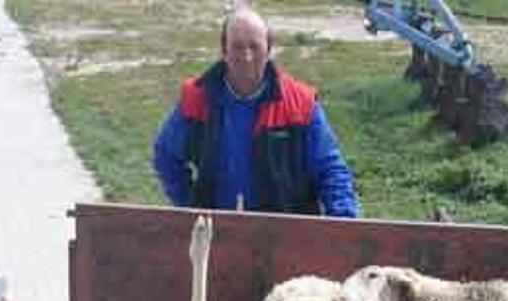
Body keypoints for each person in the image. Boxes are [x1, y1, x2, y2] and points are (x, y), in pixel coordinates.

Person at [152, 7, 360, 217]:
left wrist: (343, 224)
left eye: (255, 47)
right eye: (237, 47)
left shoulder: (301, 104)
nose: (247, 56)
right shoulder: (196, 98)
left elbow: (331, 170)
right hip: (216, 230)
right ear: (224, 50)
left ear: (269, 51)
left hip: (286, 231)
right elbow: (165, 155)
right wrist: (190, 205)